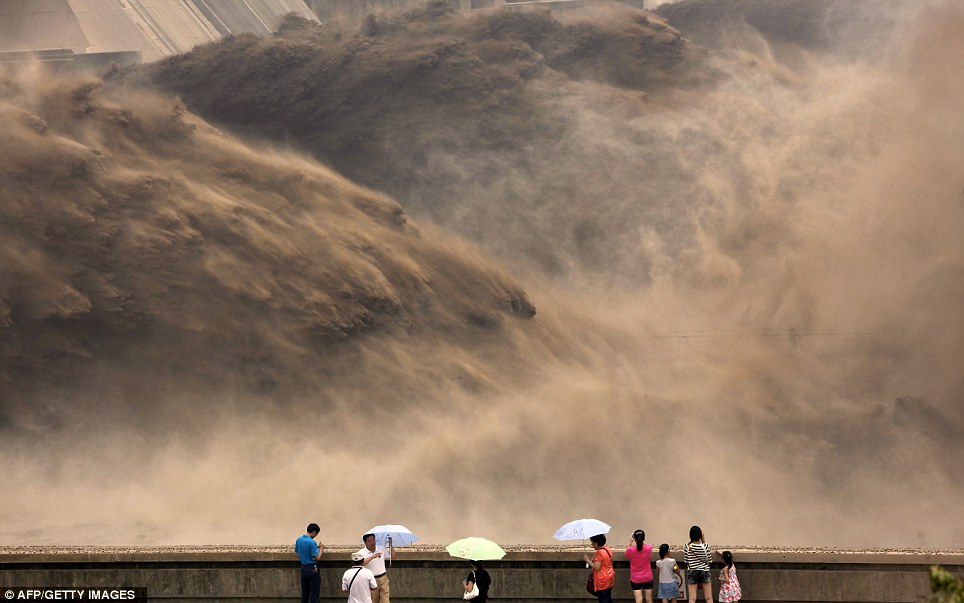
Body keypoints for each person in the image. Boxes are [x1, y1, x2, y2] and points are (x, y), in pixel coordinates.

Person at [356, 533, 394, 603]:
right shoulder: (361, 553)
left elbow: (393, 557)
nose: (372, 542)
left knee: (385, 601)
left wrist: (391, 545)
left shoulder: (381, 548)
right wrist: (373, 556)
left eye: (373, 540)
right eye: (369, 541)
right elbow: (361, 563)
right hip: (371, 580)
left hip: (383, 578)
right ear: (365, 542)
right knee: (373, 600)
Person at [295, 523, 325, 603]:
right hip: (312, 567)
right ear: (314, 532)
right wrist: (321, 549)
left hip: (303, 567)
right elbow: (317, 557)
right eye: (316, 534)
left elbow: (298, 552)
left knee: (305, 592)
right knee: (314, 592)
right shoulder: (312, 542)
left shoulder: (299, 539)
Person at [583, 533, 615, 603]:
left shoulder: (599, 552)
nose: (592, 545)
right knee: (608, 598)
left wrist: (587, 560)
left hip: (602, 579)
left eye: (593, 543)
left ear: (597, 543)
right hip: (609, 576)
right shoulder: (607, 549)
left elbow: (597, 567)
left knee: (603, 599)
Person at [684, 525, 713, 602]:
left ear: (690, 535)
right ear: (700, 535)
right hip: (705, 572)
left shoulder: (687, 546)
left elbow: (686, 560)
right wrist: (703, 539)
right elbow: (709, 560)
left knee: (692, 598)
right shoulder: (705, 546)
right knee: (709, 597)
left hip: (692, 572)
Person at [625, 529, 654, 603]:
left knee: (639, 600)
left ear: (634, 538)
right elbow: (646, 545)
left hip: (636, 578)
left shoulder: (630, 550)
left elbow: (626, 554)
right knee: (649, 599)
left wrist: (630, 542)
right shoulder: (649, 548)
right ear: (644, 538)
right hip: (648, 577)